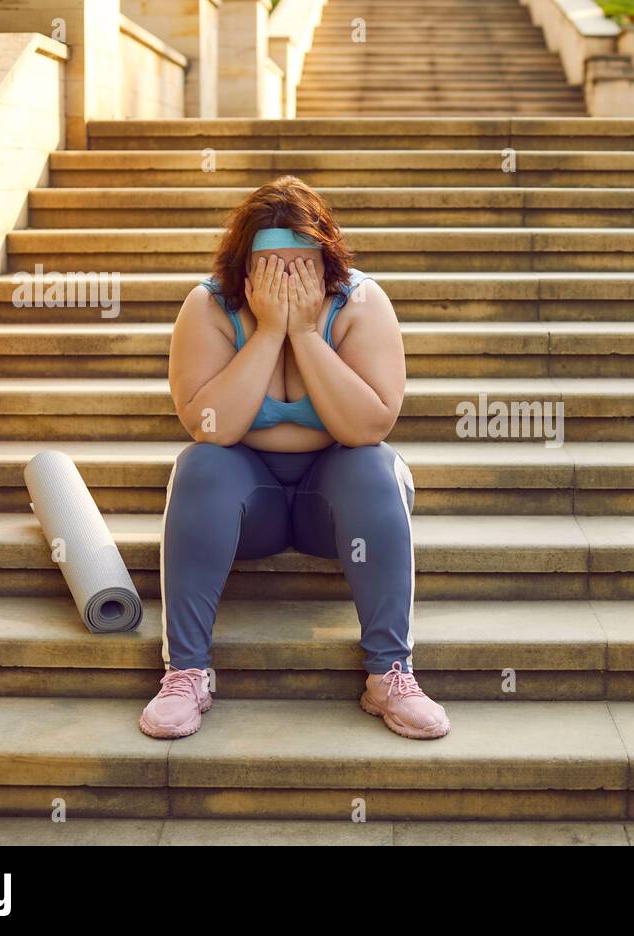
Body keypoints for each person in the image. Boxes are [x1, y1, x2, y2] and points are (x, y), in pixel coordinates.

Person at [138, 176, 450, 741]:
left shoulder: (359, 302)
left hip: (329, 507)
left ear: (324, 257)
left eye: (299, 265)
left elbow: (367, 426)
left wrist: (305, 334)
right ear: (243, 264)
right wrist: (266, 335)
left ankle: (390, 673)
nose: (286, 280)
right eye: (271, 266)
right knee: (199, 464)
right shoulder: (209, 306)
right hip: (247, 501)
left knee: (375, 464)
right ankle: (185, 671)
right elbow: (213, 426)